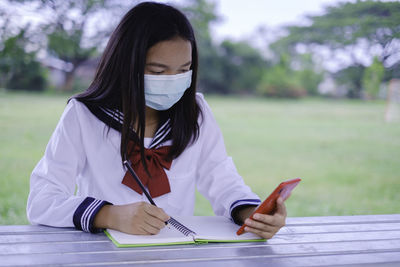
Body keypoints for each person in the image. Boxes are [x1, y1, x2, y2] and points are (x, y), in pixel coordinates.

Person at [27, 1, 286, 239]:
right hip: (102, 252)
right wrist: (109, 215)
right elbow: (42, 199)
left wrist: (254, 214)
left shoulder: (196, 112)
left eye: (184, 70)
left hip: (176, 252)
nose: (173, 79)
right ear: (125, 64)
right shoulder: (83, 114)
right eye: (157, 71)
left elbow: (222, 179)